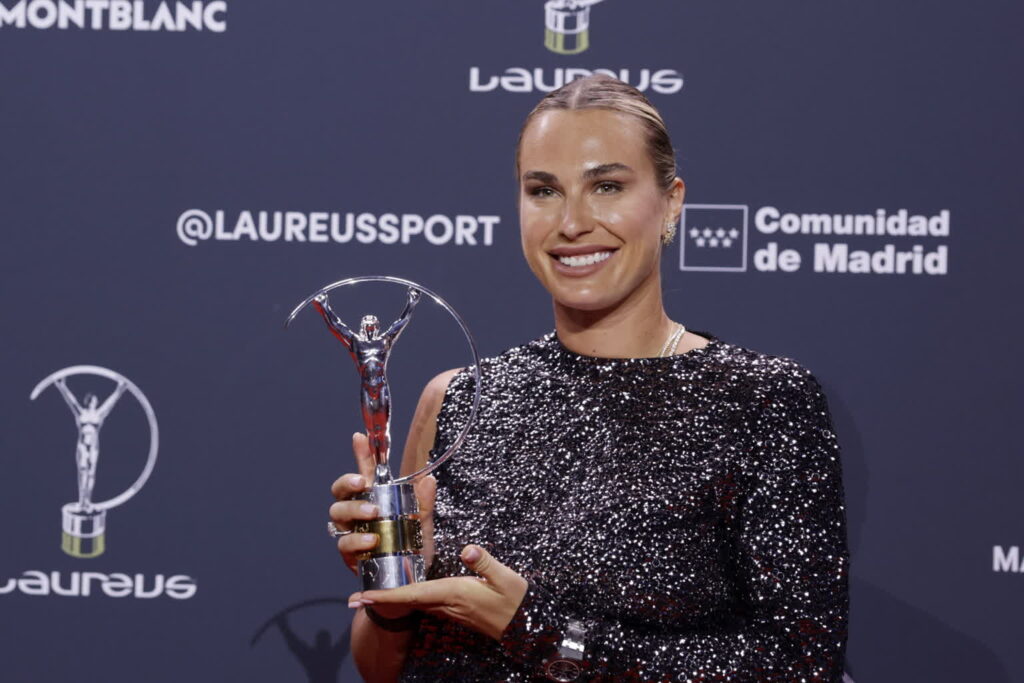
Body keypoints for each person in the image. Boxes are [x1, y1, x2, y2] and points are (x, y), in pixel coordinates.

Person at [330, 74, 850, 681]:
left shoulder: (763, 401)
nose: (572, 222)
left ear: (671, 203)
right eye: (543, 191)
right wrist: (393, 580)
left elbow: (799, 667)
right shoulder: (458, 400)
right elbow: (381, 668)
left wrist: (536, 630)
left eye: (606, 186)